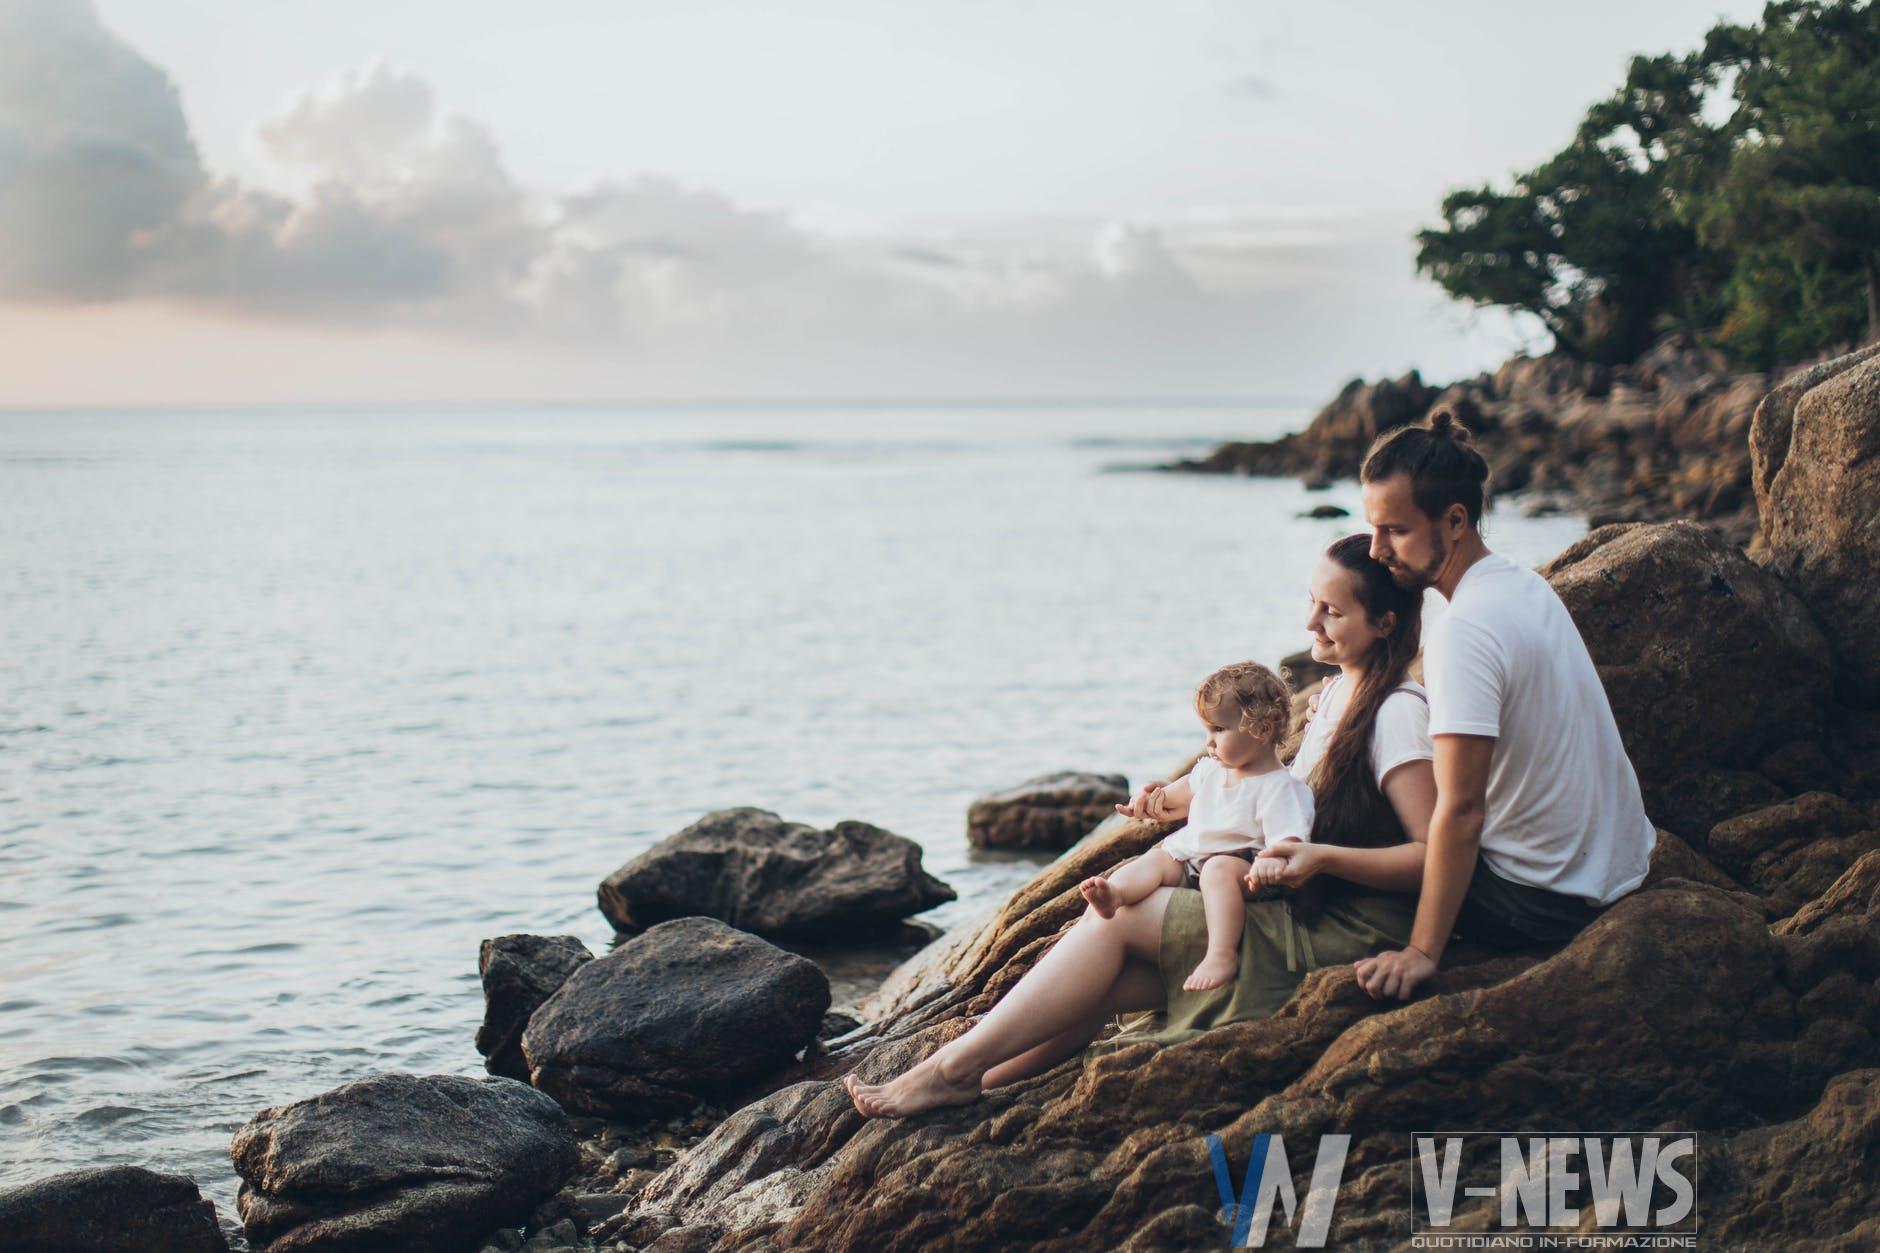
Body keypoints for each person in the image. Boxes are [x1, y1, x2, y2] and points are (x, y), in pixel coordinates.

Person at [845, 534, 1436, 1118]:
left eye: (1332, 611)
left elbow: (1434, 858)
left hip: (1340, 926)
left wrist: (1326, 860)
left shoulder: (1396, 714)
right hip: (1294, 898)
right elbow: (1280, 794)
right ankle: (985, 1079)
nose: (1311, 621)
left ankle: (949, 1070)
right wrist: (1185, 804)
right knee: (1109, 977)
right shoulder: (1335, 694)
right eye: (1312, 601)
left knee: (1117, 919)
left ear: (1384, 623)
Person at [1349, 409, 1655, 1003]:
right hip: (1620, 867)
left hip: (1545, 901)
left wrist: (1421, 953)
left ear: (1455, 520)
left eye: (1396, 530)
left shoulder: (1463, 630)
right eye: (1372, 528)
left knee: (1360, 817)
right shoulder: (1518, 582)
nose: (1376, 549)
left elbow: (1461, 813)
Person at [1078, 661, 1314, 992]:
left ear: (1261, 730)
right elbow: (1173, 796)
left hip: (1247, 871)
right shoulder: (1211, 771)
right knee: (1158, 859)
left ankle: (1222, 954)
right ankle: (1116, 894)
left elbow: (1288, 838)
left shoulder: (1279, 787)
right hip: (1196, 861)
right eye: (1207, 731)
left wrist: (1272, 862)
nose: (1209, 743)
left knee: (1218, 869)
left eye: (1218, 730)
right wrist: (1145, 802)